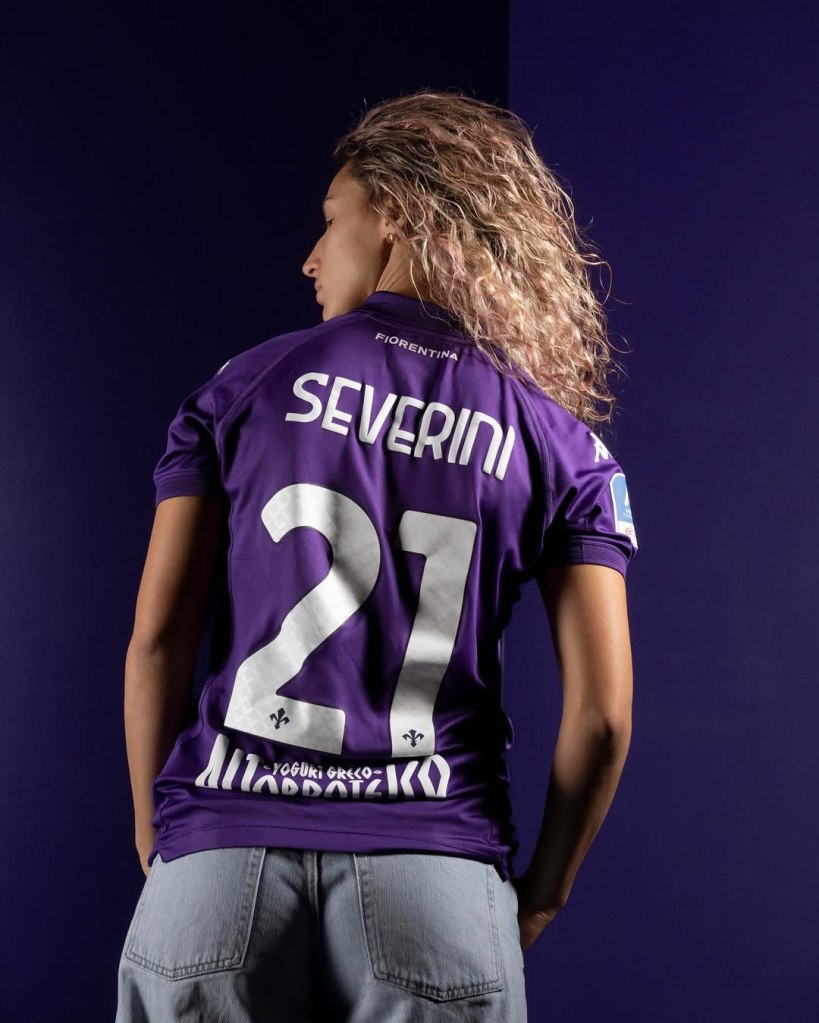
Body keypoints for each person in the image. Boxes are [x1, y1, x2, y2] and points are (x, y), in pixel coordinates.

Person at [116, 88, 638, 1022]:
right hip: (435, 868)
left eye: (331, 219)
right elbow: (601, 716)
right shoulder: (560, 443)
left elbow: (158, 638)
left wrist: (163, 838)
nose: (311, 256)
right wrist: (543, 891)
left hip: (220, 853)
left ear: (395, 212)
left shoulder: (243, 386)